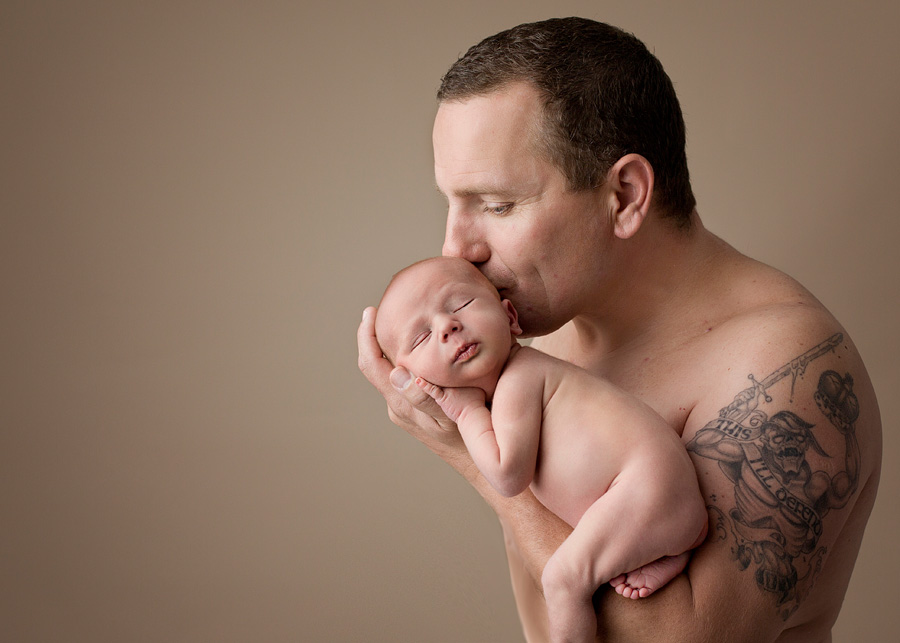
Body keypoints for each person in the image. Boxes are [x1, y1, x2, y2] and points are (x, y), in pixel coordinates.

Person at [357, 17, 881, 643]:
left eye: (497, 206)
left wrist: (463, 449)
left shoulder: (782, 369)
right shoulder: (533, 339)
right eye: (452, 202)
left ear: (626, 195)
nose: (455, 246)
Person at [375, 255, 708, 642]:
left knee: (562, 580)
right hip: (660, 500)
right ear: (413, 381)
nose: (447, 326)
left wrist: (462, 414)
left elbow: (508, 476)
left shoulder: (521, 378)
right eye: (421, 337)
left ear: (510, 318)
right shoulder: (512, 390)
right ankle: (669, 550)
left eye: (461, 305)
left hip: (647, 490)